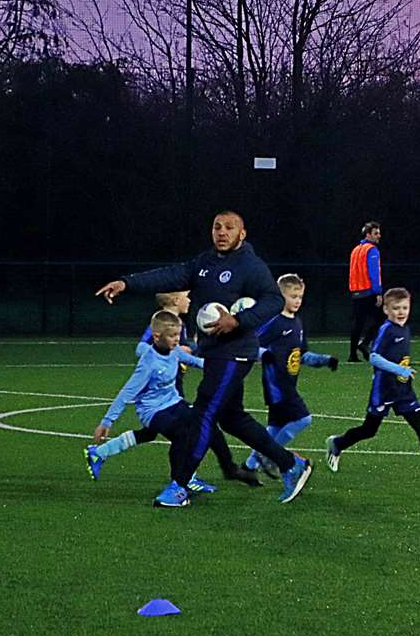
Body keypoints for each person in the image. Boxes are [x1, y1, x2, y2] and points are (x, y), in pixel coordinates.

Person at [95, 210, 312, 504]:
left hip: (235, 353)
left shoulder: (251, 265)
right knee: (231, 418)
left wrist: (238, 321)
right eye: (217, 227)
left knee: (205, 412)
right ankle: (291, 464)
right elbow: (171, 274)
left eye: (229, 228)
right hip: (215, 352)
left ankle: (180, 486)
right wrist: (127, 283)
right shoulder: (205, 262)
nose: (222, 232)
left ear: (242, 234)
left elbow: (273, 299)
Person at [325, 287, 420, 486]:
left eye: (405, 307)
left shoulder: (404, 328)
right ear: (386, 310)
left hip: (404, 391)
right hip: (384, 390)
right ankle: (337, 443)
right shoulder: (386, 330)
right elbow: (373, 357)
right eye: (396, 308)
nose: (401, 312)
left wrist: (402, 374)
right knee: (369, 430)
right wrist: (399, 369)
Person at [85, 310, 211, 508]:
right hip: (151, 410)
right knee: (182, 434)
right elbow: (127, 392)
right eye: (172, 336)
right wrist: (107, 421)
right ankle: (179, 484)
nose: (177, 340)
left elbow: (197, 362)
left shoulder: (174, 351)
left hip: (172, 402)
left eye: (178, 335)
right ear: (156, 337)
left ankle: (99, 453)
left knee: (199, 424)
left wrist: (225, 365)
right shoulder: (148, 363)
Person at [242, 273, 338, 481]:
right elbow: (252, 344)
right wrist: (264, 354)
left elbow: (302, 354)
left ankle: (250, 465)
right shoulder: (274, 322)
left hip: (287, 382)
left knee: (275, 426)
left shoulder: (297, 323)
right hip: (277, 385)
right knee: (303, 419)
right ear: (280, 296)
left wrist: (324, 360)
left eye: (300, 297)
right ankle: (268, 454)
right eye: (293, 296)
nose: (297, 301)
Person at [348, 221, 383, 362]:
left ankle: (352, 354)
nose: (379, 236)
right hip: (368, 292)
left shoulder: (356, 250)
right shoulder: (372, 250)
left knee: (358, 323)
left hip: (356, 291)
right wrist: (378, 292)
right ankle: (365, 344)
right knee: (382, 318)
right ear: (368, 234)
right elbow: (374, 272)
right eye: (376, 233)